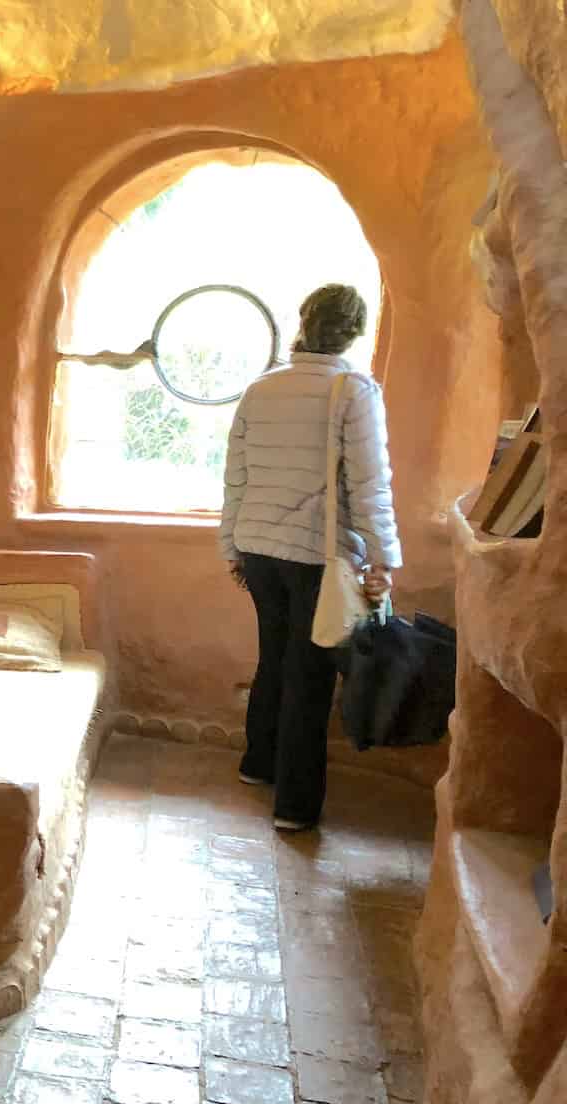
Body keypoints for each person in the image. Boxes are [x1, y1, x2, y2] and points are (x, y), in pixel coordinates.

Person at [219, 284, 400, 832]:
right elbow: (371, 483)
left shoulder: (262, 388)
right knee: (312, 675)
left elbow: (236, 476)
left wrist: (231, 544)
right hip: (314, 555)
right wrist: (384, 558)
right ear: (354, 332)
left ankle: (259, 764)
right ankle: (295, 806)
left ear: (303, 321)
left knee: (275, 658)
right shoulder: (355, 390)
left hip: (258, 549)